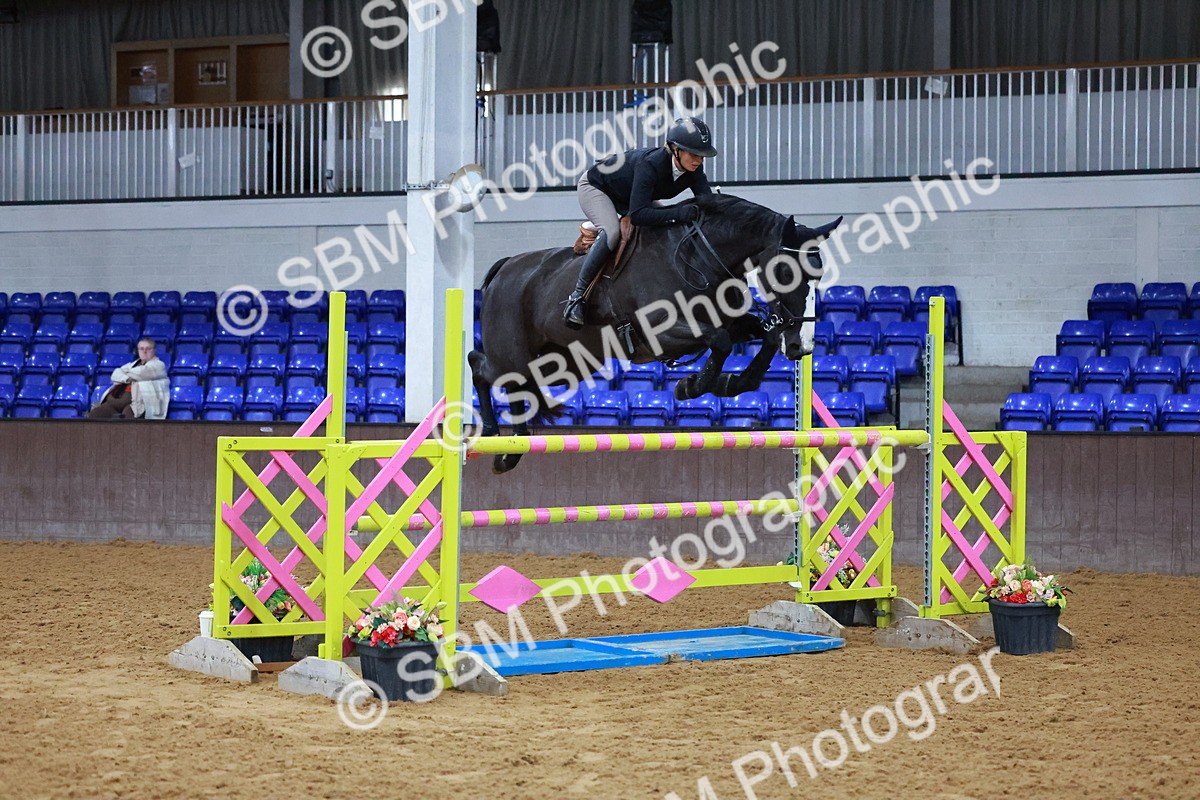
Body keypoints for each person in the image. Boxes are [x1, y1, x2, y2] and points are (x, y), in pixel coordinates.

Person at [563, 116, 718, 329]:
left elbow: (707, 203)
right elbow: (638, 215)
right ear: (675, 150)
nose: (699, 160)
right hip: (597, 187)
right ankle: (577, 297)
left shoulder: (694, 170)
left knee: (668, 225)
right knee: (612, 232)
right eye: (694, 154)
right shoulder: (651, 164)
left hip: (631, 196)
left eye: (702, 156)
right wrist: (681, 212)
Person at [88, 337, 170, 419]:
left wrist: (124, 374)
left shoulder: (159, 365)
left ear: (154, 350)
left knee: (128, 418)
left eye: (148, 349)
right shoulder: (132, 365)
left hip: (137, 404)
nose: (144, 351)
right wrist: (127, 379)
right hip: (116, 399)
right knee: (96, 414)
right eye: (141, 349)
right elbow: (115, 374)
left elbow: (141, 373)